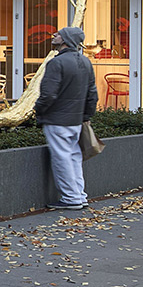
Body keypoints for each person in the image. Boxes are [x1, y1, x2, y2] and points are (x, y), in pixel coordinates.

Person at [37, 26, 97, 211]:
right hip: (76, 120)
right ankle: (79, 195)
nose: (54, 35)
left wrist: (37, 111)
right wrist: (86, 116)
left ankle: (71, 198)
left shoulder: (56, 63)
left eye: (59, 34)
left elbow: (48, 94)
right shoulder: (86, 62)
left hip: (57, 119)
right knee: (74, 157)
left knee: (62, 158)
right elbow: (92, 94)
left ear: (66, 39)